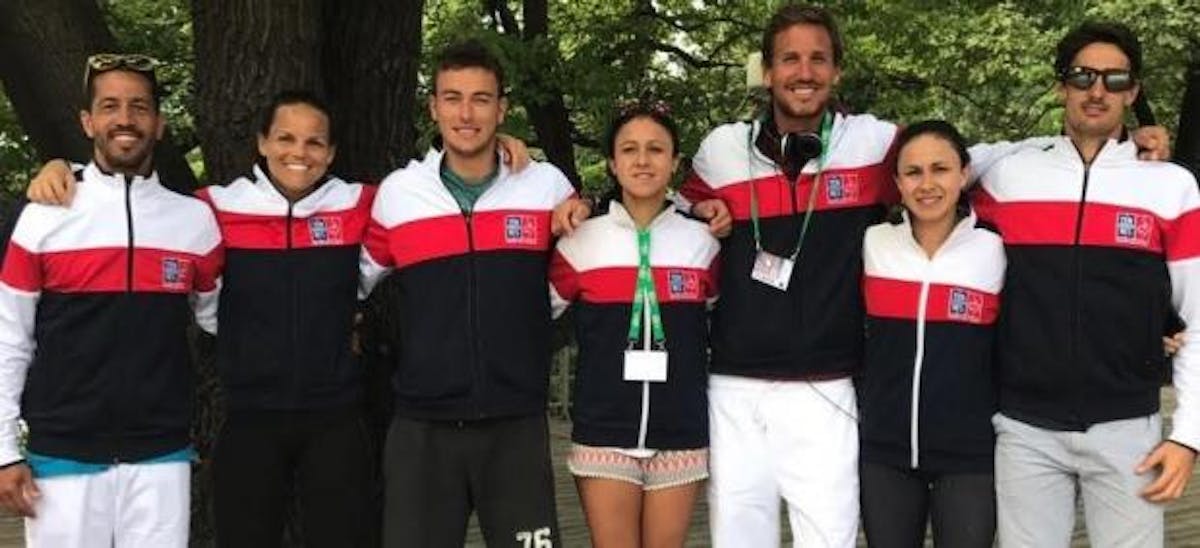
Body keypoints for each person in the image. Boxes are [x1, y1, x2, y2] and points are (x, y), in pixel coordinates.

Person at [661, 5, 1173, 547]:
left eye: (819, 59)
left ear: (837, 72)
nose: (804, 72)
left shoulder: (875, 144)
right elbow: (667, 204)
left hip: (830, 386)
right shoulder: (721, 150)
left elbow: (959, 156)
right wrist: (693, 210)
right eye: (789, 59)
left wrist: (1109, 148)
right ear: (766, 71)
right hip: (736, 383)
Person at [974, 22, 1200, 548]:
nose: (1097, 91)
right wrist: (1041, 143)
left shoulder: (1172, 187)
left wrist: (1188, 436)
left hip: (1129, 427)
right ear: (1061, 87)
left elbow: (1196, 321)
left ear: (1133, 91)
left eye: (1115, 79)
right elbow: (947, 164)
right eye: (1082, 76)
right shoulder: (1011, 177)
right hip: (1025, 428)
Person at [0, 54, 223, 547]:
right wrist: (4, 452)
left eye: (140, 107)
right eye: (111, 106)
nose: (125, 119)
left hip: (162, 454)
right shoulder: (42, 217)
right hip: (63, 455)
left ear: (159, 124)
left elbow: (220, 318)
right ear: (88, 121)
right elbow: (7, 338)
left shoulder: (195, 222)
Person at [359, 40, 574, 547]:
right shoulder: (398, 195)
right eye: (452, 97)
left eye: (481, 99)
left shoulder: (546, 186)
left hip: (515, 423)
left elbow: (592, 255)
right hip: (422, 428)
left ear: (502, 108)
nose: (466, 113)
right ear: (433, 106)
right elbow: (351, 281)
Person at [548, 100, 718, 547]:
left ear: (675, 162)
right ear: (612, 162)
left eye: (656, 149)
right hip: (604, 429)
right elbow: (529, 317)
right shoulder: (579, 241)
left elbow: (737, 320)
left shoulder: (704, 242)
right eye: (629, 149)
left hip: (679, 431)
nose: (643, 160)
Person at [858, 120, 1003, 547]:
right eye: (913, 172)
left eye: (940, 169)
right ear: (897, 183)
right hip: (885, 452)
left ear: (964, 174)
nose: (927, 184)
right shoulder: (872, 243)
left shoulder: (994, 249)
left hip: (971, 454)